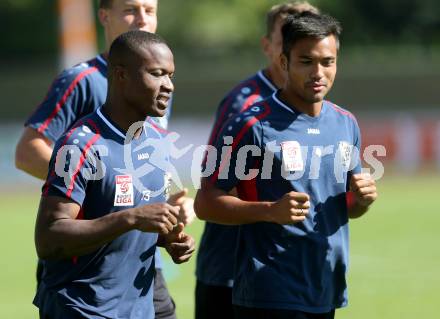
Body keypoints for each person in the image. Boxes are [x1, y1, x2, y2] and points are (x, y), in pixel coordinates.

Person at [15, 1, 194, 317]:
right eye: (131, 9)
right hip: (83, 303)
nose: (168, 85)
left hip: (137, 290)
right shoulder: (81, 128)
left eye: (149, 10)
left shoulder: (155, 135)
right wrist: (109, 200)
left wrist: (166, 230)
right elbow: (50, 233)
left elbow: (137, 203)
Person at [195, 11, 378, 319]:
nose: (318, 72)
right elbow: (206, 202)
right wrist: (269, 210)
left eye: (327, 61)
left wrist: (362, 200)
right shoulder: (250, 123)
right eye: (306, 61)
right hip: (269, 291)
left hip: (325, 285)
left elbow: (345, 208)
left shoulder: (346, 124)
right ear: (284, 62)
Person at [195, 2, 319, 319]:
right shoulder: (245, 106)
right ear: (269, 47)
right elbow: (213, 184)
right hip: (232, 271)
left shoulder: (314, 105)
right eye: (287, 40)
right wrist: (270, 209)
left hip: (289, 274)